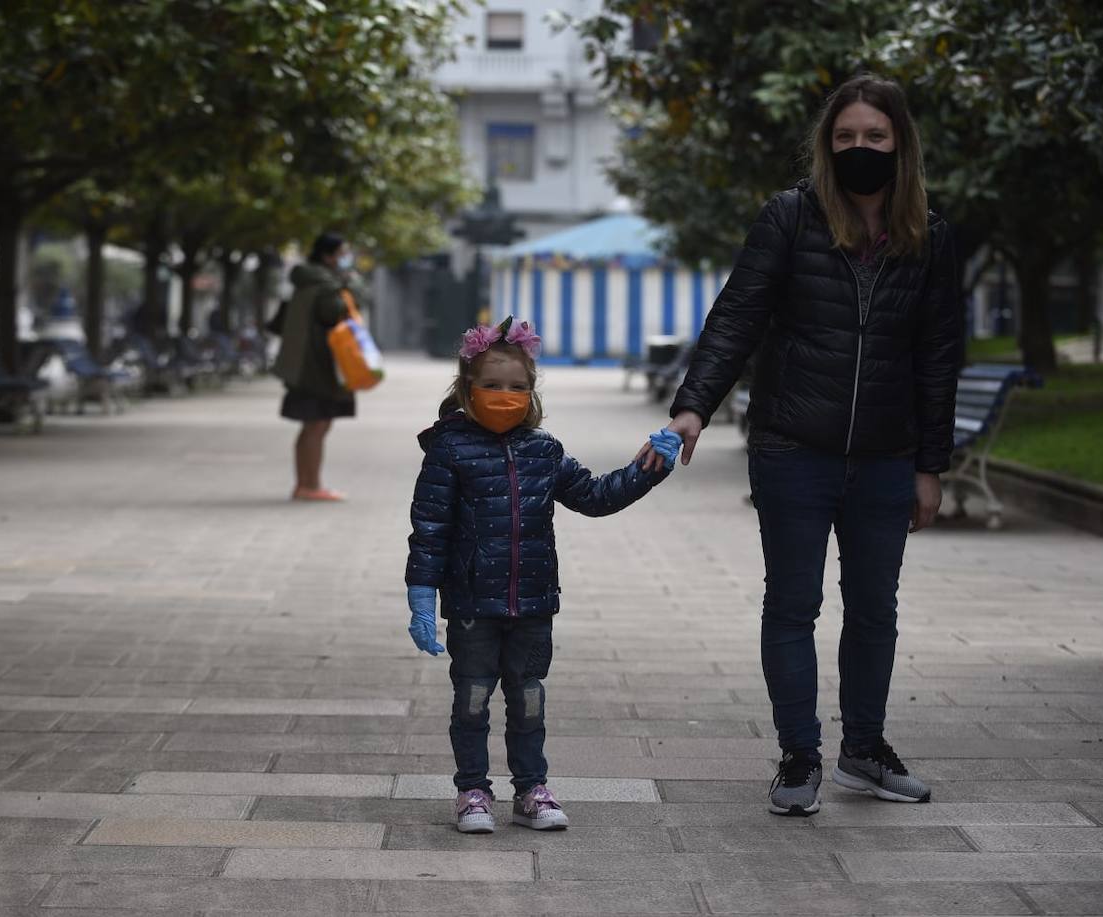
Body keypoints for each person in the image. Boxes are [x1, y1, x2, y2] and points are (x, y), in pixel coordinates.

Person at [638, 74, 963, 816]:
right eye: (845, 137)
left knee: (874, 607)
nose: (859, 149)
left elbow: (938, 358)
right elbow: (736, 319)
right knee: (792, 603)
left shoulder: (931, 238)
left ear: (900, 145)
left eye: (874, 138)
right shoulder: (789, 217)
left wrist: (930, 467)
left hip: (886, 456)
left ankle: (865, 749)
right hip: (792, 448)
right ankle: (798, 755)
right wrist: (692, 408)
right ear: (828, 144)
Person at [406, 315, 682, 833]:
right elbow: (429, 527)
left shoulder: (544, 450)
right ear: (468, 388)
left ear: (531, 394)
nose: (504, 395)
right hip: (471, 607)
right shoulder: (448, 449)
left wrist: (649, 469)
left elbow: (596, 497)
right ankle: (472, 791)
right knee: (472, 700)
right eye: (491, 385)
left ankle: (532, 788)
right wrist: (421, 595)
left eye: (517, 387)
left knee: (529, 699)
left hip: (533, 604)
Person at [273, 231, 359, 501]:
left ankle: (306, 484)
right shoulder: (325, 285)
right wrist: (349, 285)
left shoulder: (308, 281)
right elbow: (337, 313)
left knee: (313, 425)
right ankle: (309, 486)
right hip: (317, 366)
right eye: (342, 253)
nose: (346, 259)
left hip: (305, 364)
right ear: (328, 256)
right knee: (317, 425)